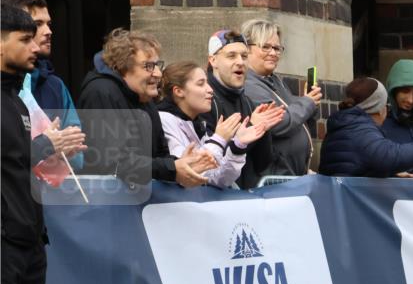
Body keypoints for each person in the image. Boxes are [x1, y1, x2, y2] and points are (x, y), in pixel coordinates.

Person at [1, 6, 86, 284]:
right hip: (3, 236)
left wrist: (49, 150)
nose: (37, 47)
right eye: (25, 38)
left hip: (28, 235)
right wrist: (44, 146)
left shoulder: (17, 98)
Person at [78, 29, 215, 187]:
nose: (157, 73)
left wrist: (182, 164)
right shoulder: (101, 93)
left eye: (157, 65)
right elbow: (113, 163)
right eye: (148, 66)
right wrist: (172, 168)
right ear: (123, 67)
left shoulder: (145, 99)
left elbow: (159, 154)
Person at [0, 0, 82, 169]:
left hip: (51, 192)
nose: (48, 31)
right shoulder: (10, 88)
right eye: (37, 24)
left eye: (49, 23)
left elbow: (77, 153)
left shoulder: (55, 85)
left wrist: (64, 147)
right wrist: (46, 144)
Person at [159, 61, 269, 189]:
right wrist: (219, 139)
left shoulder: (197, 123)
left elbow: (217, 179)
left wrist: (238, 146)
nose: (210, 90)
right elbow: (189, 172)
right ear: (178, 91)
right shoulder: (163, 120)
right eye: (201, 84)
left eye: (207, 83)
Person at [201, 30, 285, 190]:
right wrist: (249, 129)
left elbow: (262, 163)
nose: (240, 62)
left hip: (246, 199)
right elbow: (207, 163)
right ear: (213, 60)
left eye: (244, 56)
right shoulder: (204, 100)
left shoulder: (248, 102)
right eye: (231, 56)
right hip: (214, 201)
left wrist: (263, 130)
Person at [241, 19, 321, 176]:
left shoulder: (274, 80)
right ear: (247, 49)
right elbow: (280, 122)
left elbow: (297, 116)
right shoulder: (248, 84)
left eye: (277, 48)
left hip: (291, 174)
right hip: (273, 178)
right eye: (265, 47)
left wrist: (310, 102)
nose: (273, 53)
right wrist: (308, 102)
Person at [318, 76, 413, 178]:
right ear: (379, 109)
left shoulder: (344, 126)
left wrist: (391, 174)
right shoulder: (361, 132)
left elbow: (358, 167)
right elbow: (392, 156)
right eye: (385, 105)